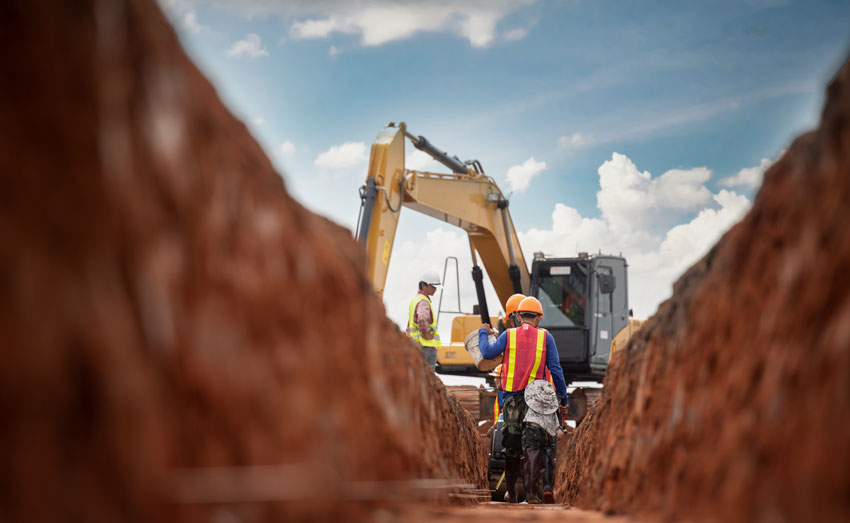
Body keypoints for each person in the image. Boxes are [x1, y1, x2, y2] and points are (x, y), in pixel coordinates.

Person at [478, 296, 569, 504]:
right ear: (539, 317)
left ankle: (512, 493)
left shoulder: (508, 335)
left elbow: (487, 353)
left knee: (511, 446)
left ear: (518, 316)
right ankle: (532, 495)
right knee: (533, 445)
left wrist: (483, 332)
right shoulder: (546, 338)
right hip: (537, 401)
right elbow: (556, 370)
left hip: (512, 400)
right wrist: (563, 398)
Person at [407, 270, 442, 369]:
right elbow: (422, 319)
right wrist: (425, 333)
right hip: (426, 347)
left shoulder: (416, 299)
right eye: (432, 286)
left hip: (417, 346)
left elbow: (409, 324)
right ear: (424, 285)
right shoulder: (423, 301)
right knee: (427, 376)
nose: (435, 289)